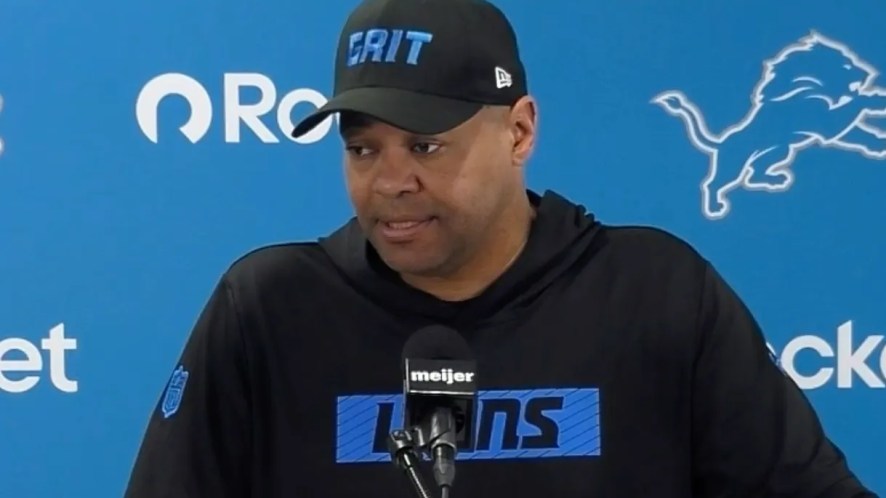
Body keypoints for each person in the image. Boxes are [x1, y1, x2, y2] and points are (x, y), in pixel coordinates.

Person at [123, 0, 879, 496]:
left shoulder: (656, 293)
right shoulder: (268, 308)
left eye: (426, 145)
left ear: (519, 131)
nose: (390, 182)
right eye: (362, 149)